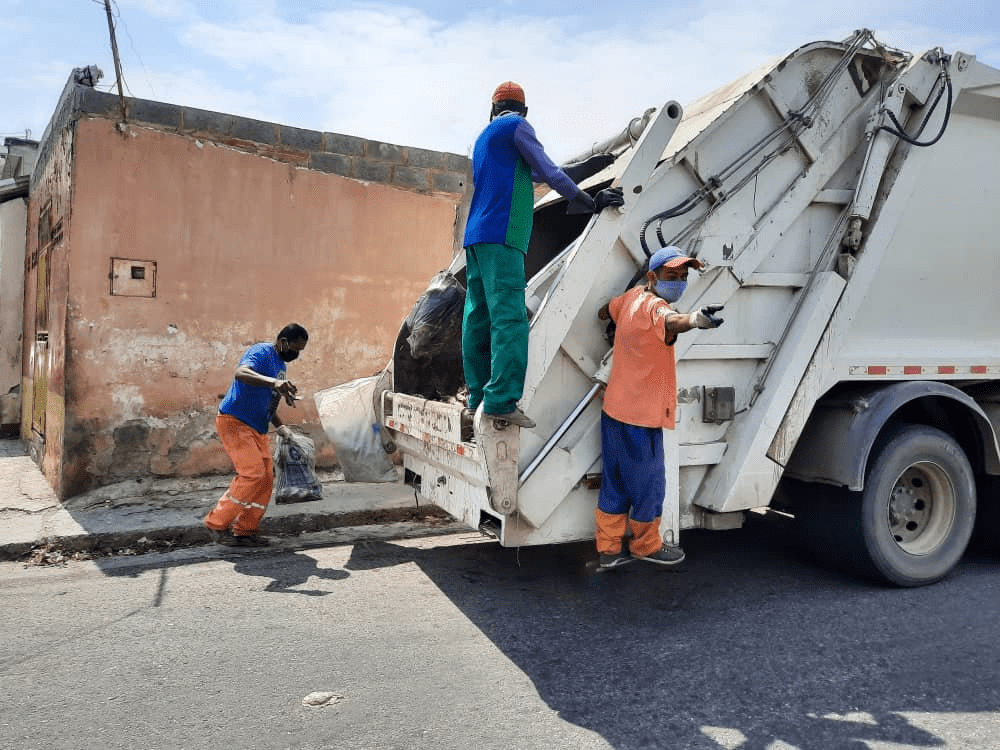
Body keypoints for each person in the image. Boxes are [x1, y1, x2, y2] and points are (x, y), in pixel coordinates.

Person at [462, 80, 625, 429]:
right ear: (524, 111)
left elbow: (543, 171)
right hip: (504, 235)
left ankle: (475, 397)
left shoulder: (485, 138)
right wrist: (589, 202)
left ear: (492, 109)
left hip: (476, 239)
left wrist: (592, 165)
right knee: (509, 318)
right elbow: (551, 175)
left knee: (477, 318)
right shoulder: (518, 126)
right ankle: (501, 400)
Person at [595, 247, 724, 570]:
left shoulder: (630, 298)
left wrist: (618, 329)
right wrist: (696, 320)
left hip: (614, 411)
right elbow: (672, 321)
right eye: (671, 276)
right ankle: (646, 546)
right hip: (641, 417)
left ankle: (608, 550)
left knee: (615, 483)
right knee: (649, 485)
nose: (679, 283)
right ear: (653, 276)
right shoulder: (654, 307)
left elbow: (603, 312)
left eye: (683, 277)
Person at [203, 323, 309, 547]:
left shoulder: (280, 365)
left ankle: (246, 530)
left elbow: (270, 400)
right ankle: (216, 524)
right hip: (236, 421)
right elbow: (241, 373)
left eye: (300, 351)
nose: (296, 355)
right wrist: (274, 382)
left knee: (265, 479)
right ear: (283, 342)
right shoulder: (261, 352)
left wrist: (281, 427)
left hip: (258, 427)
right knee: (252, 474)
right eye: (295, 349)